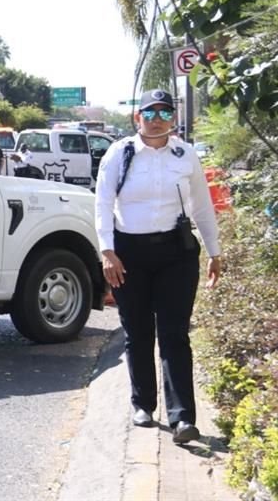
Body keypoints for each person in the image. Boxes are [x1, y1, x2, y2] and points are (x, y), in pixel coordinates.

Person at [94, 89, 222, 445]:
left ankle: (183, 418)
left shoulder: (185, 154)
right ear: (138, 118)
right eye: (150, 113)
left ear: (173, 118)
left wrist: (215, 251)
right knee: (138, 333)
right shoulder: (120, 153)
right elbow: (103, 203)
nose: (157, 119)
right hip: (128, 254)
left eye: (165, 112)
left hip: (175, 253)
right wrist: (107, 251)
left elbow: (202, 206)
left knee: (174, 334)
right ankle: (143, 406)